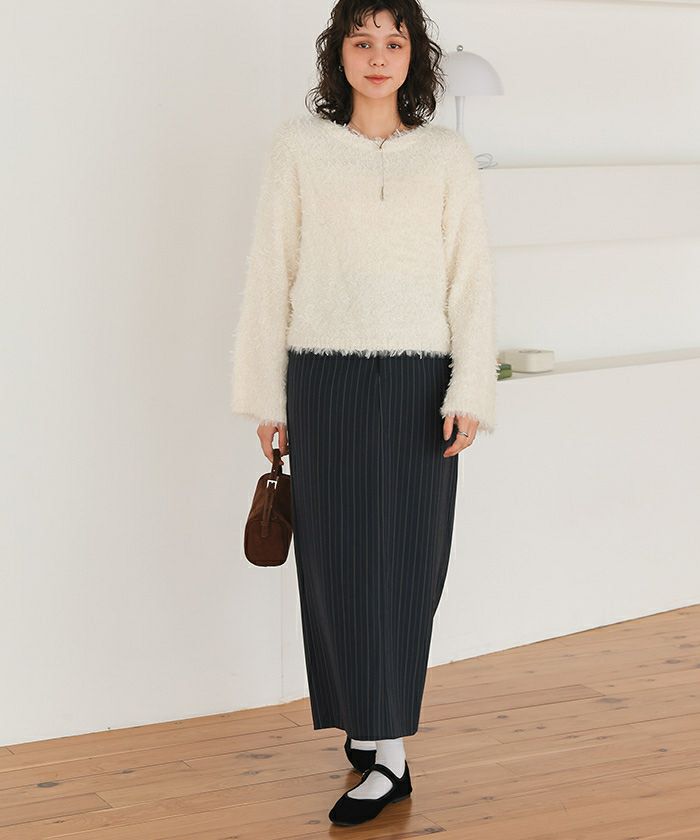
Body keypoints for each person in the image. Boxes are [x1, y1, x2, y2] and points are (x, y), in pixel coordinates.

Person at [230, 0, 497, 826]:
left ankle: (390, 754)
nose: (377, 57)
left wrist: (470, 390)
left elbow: (471, 278)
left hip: (419, 384)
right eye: (361, 41)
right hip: (325, 379)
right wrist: (266, 396)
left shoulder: (446, 156)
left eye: (393, 42)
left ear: (414, 56)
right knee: (337, 564)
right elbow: (271, 270)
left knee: (407, 566)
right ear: (338, 54)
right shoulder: (299, 149)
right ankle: (369, 727)